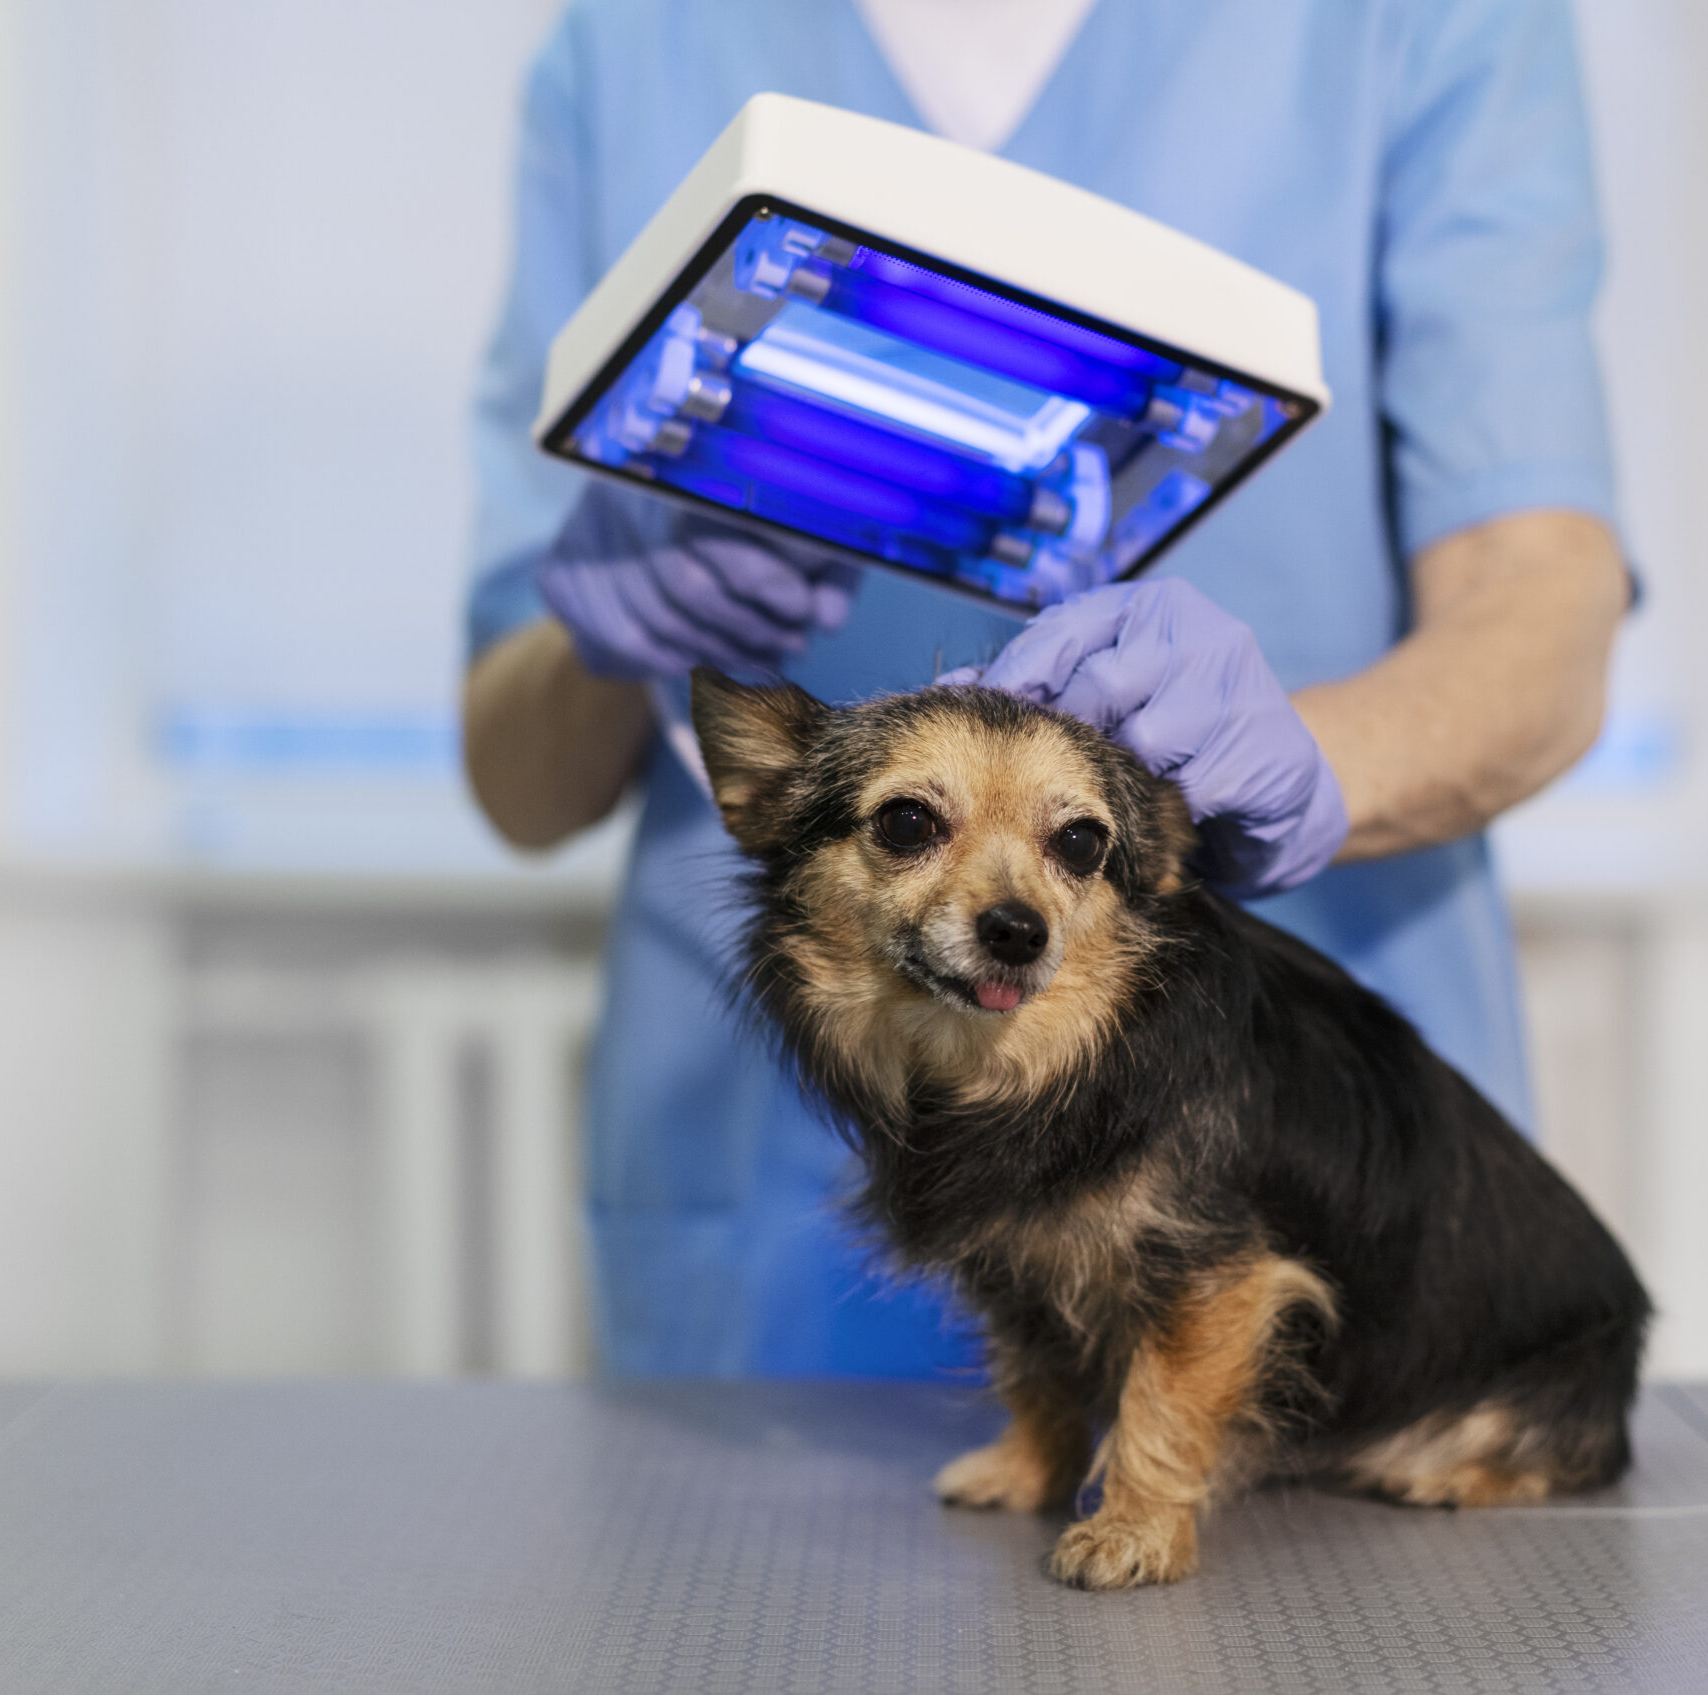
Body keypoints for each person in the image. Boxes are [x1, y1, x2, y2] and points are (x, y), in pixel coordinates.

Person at [461, 0, 1629, 1378]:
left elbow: (1543, 613)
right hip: (772, 1190)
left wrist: (1305, 760)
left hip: (1261, 1114)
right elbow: (516, 783)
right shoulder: (639, 40)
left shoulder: (1416, 27)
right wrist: (600, 626)